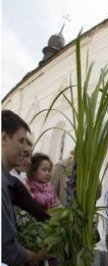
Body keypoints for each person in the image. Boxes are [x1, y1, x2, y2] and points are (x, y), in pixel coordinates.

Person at [2, 109, 50, 265]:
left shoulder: (8, 181)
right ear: (3, 138)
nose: (24, 149)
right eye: (21, 141)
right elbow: (6, 251)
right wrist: (36, 256)